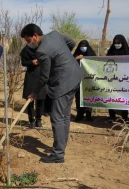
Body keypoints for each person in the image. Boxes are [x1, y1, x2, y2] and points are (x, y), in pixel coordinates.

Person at [21, 23, 83, 163]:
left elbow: (44, 77)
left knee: (57, 117)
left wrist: (34, 93)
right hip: (75, 75)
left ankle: (58, 154)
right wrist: (62, 56)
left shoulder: (42, 51)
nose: (28, 44)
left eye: (28, 40)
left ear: (35, 36)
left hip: (64, 81)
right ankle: (60, 147)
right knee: (65, 116)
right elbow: (71, 43)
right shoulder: (55, 34)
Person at [106, 34, 129, 123]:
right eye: (115, 42)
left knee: (123, 98)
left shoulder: (127, 53)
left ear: (122, 43)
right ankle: (112, 116)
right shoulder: (111, 52)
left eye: (119, 42)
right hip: (112, 80)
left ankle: (124, 117)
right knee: (111, 97)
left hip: (123, 80)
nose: (117, 44)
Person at [20, 44, 46, 128]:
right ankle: (31, 120)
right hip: (30, 75)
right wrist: (31, 62)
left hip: (41, 75)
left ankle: (38, 120)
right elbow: (23, 62)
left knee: (40, 99)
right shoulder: (26, 50)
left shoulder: (43, 49)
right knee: (30, 99)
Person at [73, 40, 97, 122]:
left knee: (89, 96)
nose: (83, 47)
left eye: (84, 46)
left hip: (89, 79)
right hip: (78, 79)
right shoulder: (76, 55)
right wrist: (77, 58)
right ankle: (79, 115)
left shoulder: (92, 55)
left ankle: (88, 115)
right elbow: (70, 63)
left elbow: (96, 64)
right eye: (81, 46)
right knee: (79, 96)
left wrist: (86, 59)